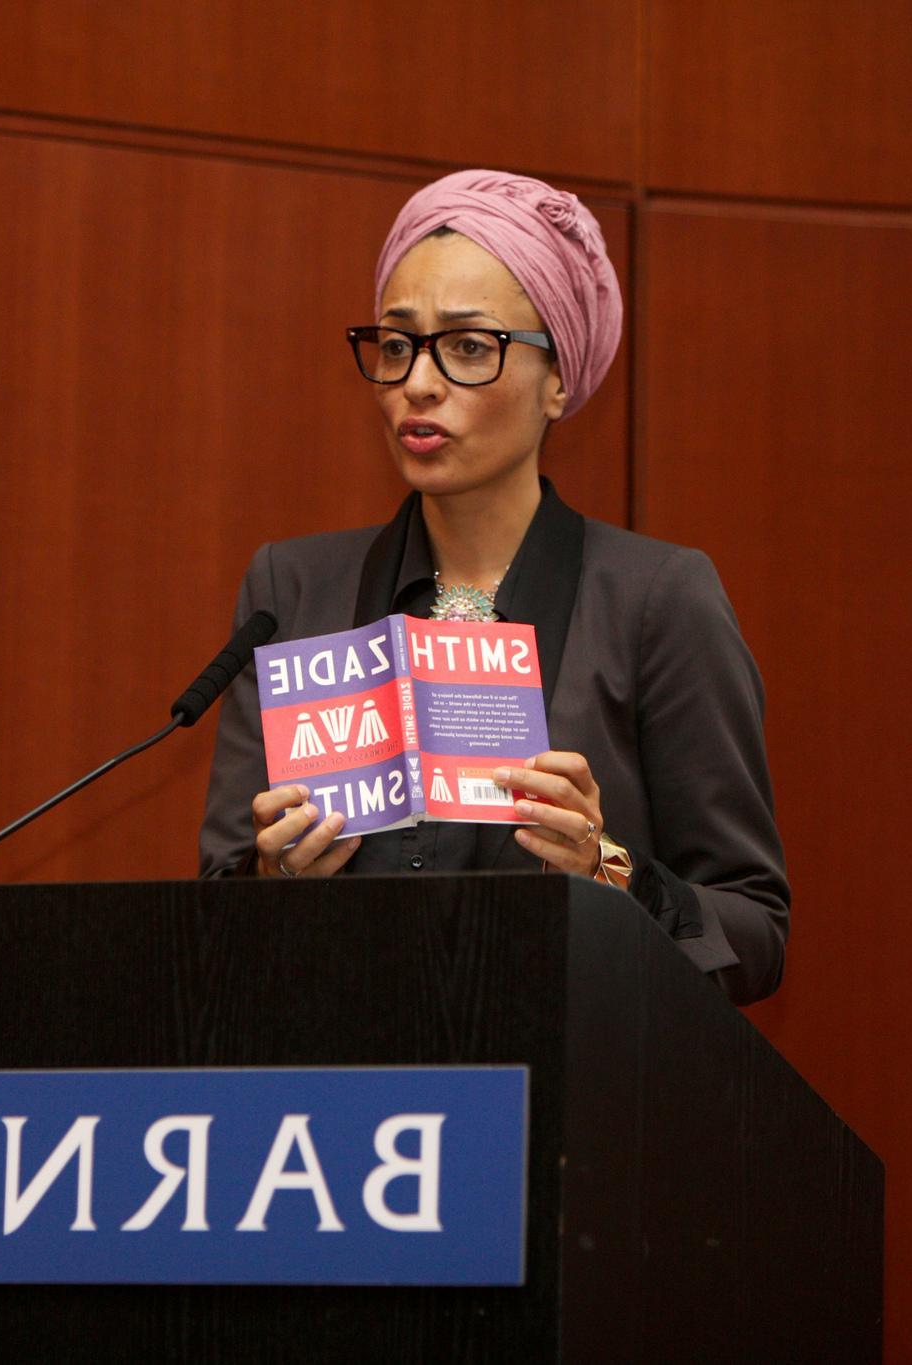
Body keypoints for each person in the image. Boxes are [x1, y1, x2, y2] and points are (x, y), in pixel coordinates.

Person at [196, 170, 789, 1004]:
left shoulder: (658, 600)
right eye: (397, 344)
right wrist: (274, 872)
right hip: (347, 1105)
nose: (419, 382)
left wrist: (606, 866)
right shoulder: (291, 588)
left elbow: (754, 930)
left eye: (469, 346)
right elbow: (214, 913)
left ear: (558, 381)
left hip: (563, 1099)